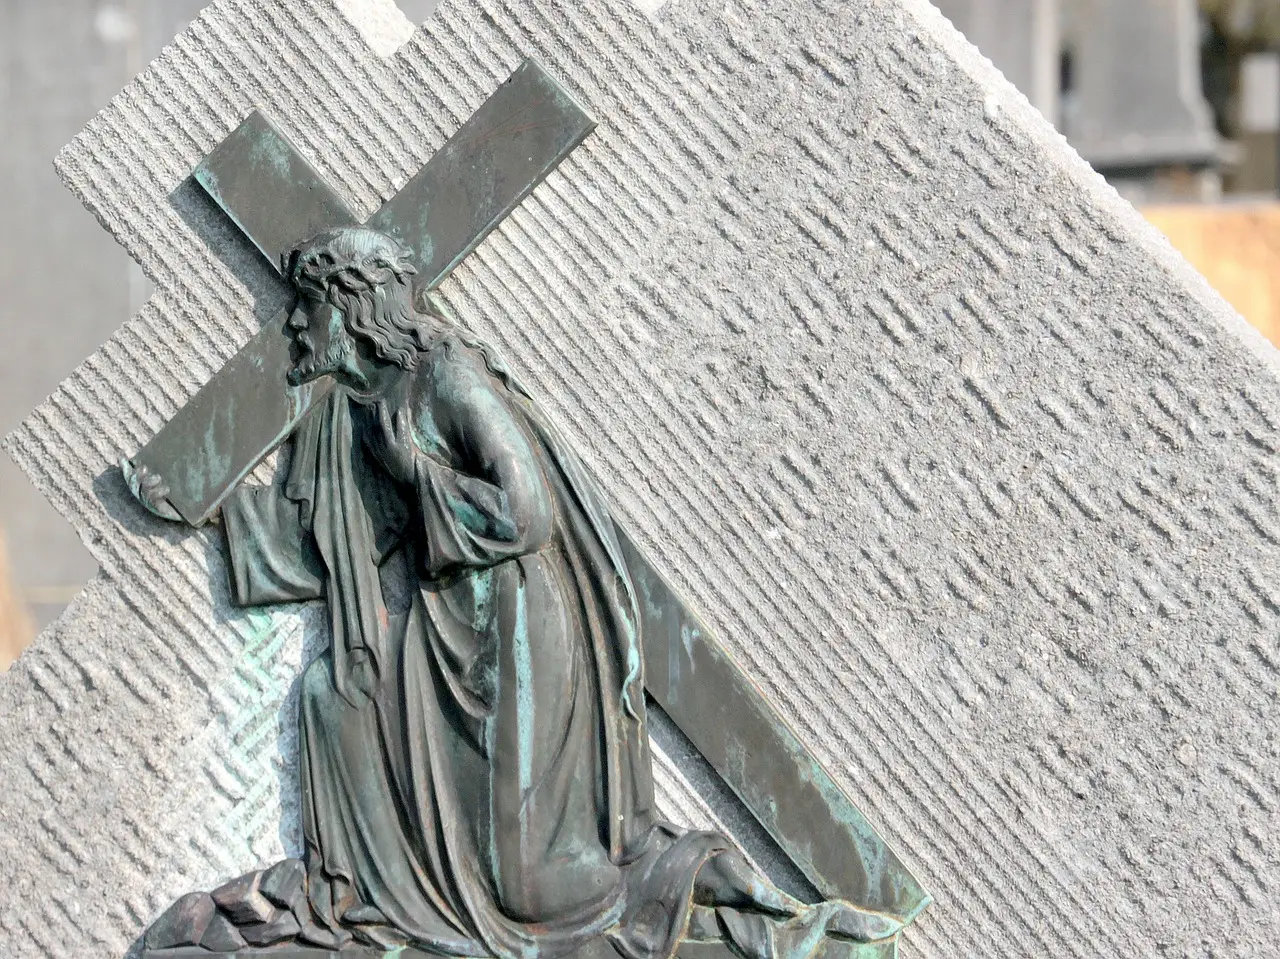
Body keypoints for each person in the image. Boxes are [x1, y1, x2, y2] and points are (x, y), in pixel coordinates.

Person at [127, 227, 902, 959]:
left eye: (308, 306)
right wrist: (214, 516)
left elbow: (528, 510)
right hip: (443, 637)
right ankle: (370, 893)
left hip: (516, 622)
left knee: (532, 887)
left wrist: (419, 474)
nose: (294, 325)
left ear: (353, 308)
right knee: (331, 695)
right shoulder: (356, 410)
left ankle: (700, 896)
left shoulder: (446, 375)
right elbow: (342, 541)